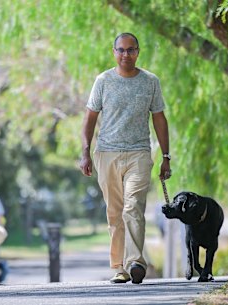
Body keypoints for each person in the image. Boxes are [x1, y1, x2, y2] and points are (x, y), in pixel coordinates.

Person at [79, 32, 172, 285]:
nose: (126, 55)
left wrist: (166, 156)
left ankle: (135, 262)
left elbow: (159, 118)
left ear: (138, 52)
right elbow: (90, 117)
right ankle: (119, 267)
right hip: (107, 153)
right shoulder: (103, 81)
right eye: (121, 50)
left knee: (133, 207)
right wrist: (85, 152)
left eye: (131, 50)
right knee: (115, 211)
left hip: (139, 153)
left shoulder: (150, 81)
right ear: (114, 52)